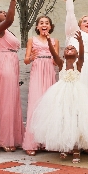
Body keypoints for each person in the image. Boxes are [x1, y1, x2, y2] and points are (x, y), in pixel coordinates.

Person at [31, 31, 88, 163]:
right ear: (64, 54)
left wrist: (81, 42)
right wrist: (48, 41)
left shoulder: (78, 63)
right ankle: (64, 147)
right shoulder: (61, 64)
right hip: (62, 95)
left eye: (72, 48)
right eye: (67, 48)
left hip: (76, 95)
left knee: (76, 120)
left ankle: (76, 149)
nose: (69, 49)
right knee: (63, 119)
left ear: (76, 55)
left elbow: (82, 53)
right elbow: (53, 53)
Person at [0, 0, 24, 152]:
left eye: (5, 11)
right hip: (3, 63)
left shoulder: (7, 31)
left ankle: (13, 136)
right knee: (5, 101)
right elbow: (10, 20)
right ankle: (3, 139)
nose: (4, 13)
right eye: (1, 12)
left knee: (11, 100)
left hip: (12, 62)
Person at [22, 16, 58, 156]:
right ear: (37, 27)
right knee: (35, 104)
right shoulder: (32, 40)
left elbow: (56, 62)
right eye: (41, 23)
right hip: (37, 72)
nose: (44, 25)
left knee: (49, 105)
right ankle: (31, 143)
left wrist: (50, 42)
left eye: (47, 23)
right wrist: (31, 57)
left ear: (50, 26)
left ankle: (47, 141)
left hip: (49, 72)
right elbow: (26, 60)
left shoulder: (54, 41)